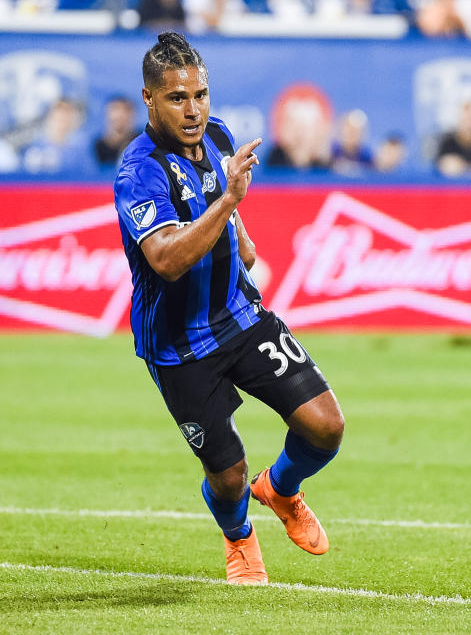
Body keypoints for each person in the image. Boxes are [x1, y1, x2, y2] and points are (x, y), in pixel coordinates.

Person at [113, 32, 345, 585]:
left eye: (201, 94)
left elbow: (223, 197)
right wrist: (229, 205)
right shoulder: (138, 172)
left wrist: (239, 232)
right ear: (149, 98)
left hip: (240, 316)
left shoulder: (219, 136)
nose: (193, 110)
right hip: (178, 345)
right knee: (227, 476)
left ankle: (282, 490)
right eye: (177, 98)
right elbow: (166, 259)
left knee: (325, 427)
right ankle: (239, 536)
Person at [94, 96, 138, 167]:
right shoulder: (97, 146)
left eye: (126, 110)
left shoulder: (145, 142)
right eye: (116, 109)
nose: (120, 114)